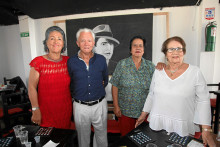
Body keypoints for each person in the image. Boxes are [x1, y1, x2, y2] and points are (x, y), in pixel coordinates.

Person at [135, 36, 216, 147]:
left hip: (182, 124)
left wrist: (206, 128)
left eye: (179, 48)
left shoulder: (195, 72)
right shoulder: (158, 71)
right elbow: (151, 94)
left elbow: (203, 100)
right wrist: (143, 114)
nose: (175, 52)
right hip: (158, 122)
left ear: (184, 52)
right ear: (165, 53)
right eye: (171, 49)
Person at [67, 28, 108, 147]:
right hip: (80, 107)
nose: (86, 44)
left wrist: (96, 90)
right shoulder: (71, 62)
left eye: (89, 40)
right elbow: (70, 83)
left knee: (101, 138)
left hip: (99, 105)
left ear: (94, 43)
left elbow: (105, 80)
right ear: (77, 43)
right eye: (83, 40)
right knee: (83, 139)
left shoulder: (101, 59)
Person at [110, 35, 155, 136]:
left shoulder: (150, 66)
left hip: (144, 113)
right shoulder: (122, 64)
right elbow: (115, 85)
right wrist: (116, 106)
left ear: (143, 50)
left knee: (143, 140)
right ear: (130, 50)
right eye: (135, 45)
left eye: (140, 46)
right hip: (125, 112)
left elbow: (155, 89)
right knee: (127, 140)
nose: (138, 48)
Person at [28, 26, 72, 129]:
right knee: (47, 141)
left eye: (59, 38)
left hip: (65, 110)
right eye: (52, 38)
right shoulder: (38, 62)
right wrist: (35, 109)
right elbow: (31, 87)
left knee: (63, 138)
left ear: (63, 43)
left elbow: (80, 78)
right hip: (45, 111)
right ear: (46, 43)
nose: (56, 41)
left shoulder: (69, 61)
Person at [93, 24, 120, 101]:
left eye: (111, 44)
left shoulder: (118, 67)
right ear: (94, 48)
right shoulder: (87, 67)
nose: (109, 48)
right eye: (104, 44)